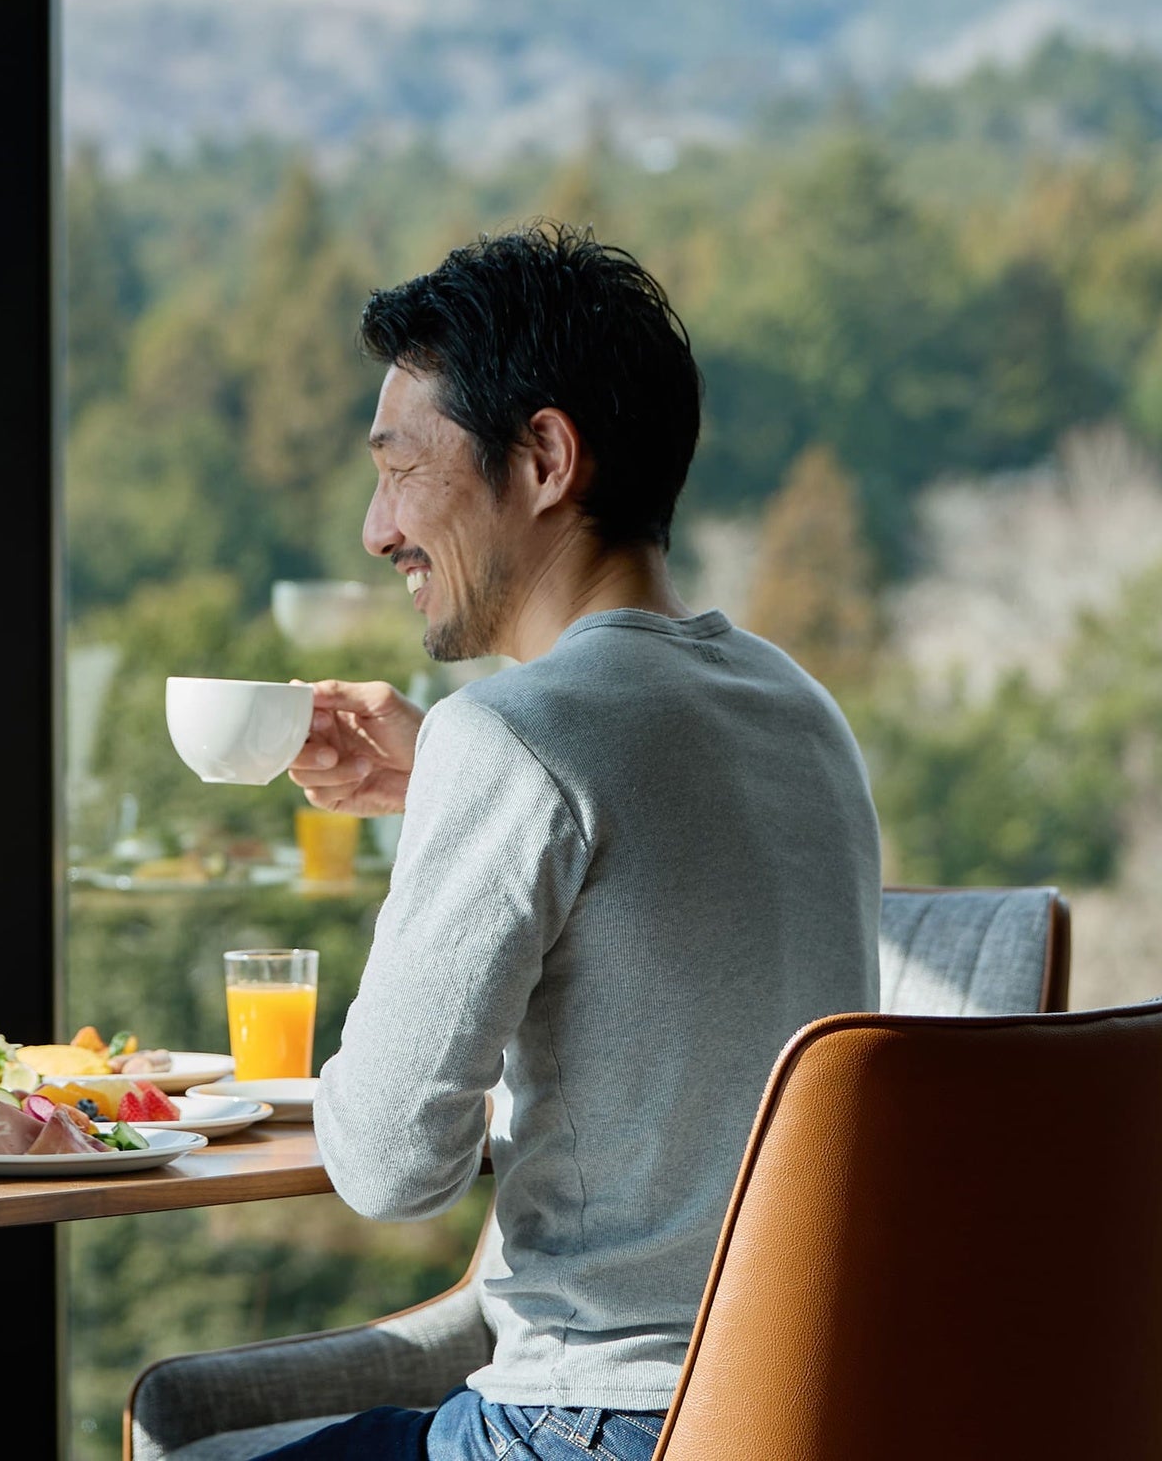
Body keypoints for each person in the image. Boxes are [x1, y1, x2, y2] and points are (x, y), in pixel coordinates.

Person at [269, 228, 882, 1461]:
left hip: (590, 1424)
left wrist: (462, 776)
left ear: (544, 455)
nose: (379, 528)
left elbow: (390, 1164)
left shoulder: (513, 738)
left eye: (400, 469)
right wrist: (442, 789)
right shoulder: (797, 707)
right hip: (802, 1409)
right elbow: (659, 957)